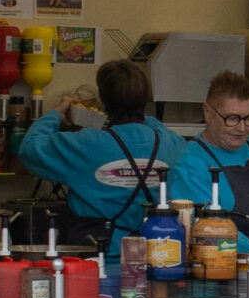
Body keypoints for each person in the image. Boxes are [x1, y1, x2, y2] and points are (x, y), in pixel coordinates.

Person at [16, 58, 186, 268]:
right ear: (144, 100)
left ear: (103, 101)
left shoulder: (86, 144)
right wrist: (140, 117)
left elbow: (29, 148)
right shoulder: (172, 144)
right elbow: (154, 127)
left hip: (96, 262)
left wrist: (55, 115)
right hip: (158, 260)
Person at [164, 69, 249, 255]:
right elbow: (210, 231)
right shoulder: (189, 167)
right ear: (208, 112)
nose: (242, 128)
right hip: (232, 271)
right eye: (232, 118)